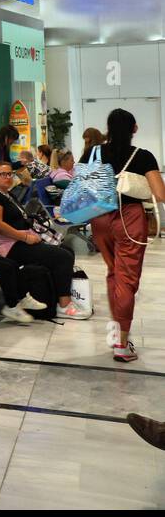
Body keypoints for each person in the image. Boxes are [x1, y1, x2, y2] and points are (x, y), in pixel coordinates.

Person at [80, 108, 165, 363]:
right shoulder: (143, 156)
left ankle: (116, 330)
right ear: (134, 129)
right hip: (129, 219)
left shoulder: (93, 152)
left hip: (99, 217)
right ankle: (121, 343)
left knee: (113, 273)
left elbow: (81, 185)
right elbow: (160, 194)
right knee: (127, 279)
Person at [0, 161, 88, 320]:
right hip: (7, 245)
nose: (8, 177)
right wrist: (25, 237)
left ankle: (57, 298)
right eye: (3, 174)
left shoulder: (7, 194)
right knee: (62, 257)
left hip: (18, 239)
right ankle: (64, 306)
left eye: (10, 173)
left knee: (67, 251)